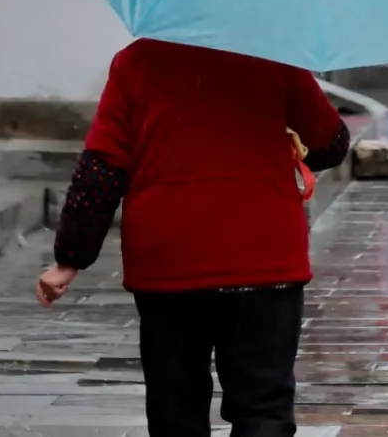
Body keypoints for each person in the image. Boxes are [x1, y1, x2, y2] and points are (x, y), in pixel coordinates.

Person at [36, 40, 350, 437]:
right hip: (264, 261)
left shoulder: (137, 61)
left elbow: (101, 169)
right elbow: (331, 144)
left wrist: (70, 259)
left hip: (168, 263)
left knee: (175, 406)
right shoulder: (275, 57)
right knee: (264, 407)